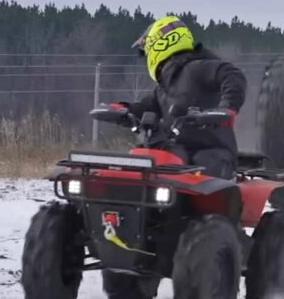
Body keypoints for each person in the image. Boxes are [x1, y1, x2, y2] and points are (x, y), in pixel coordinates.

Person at [103, 16, 247, 298]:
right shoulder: (164, 89)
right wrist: (122, 109)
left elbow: (232, 75)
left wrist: (227, 108)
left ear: (160, 43)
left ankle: (215, 245)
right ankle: (139, 240)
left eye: (147, 49)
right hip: (177, 157)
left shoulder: (198, 68)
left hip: (213, 152)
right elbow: (143, 107)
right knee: (148, 166)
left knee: (202, 184)